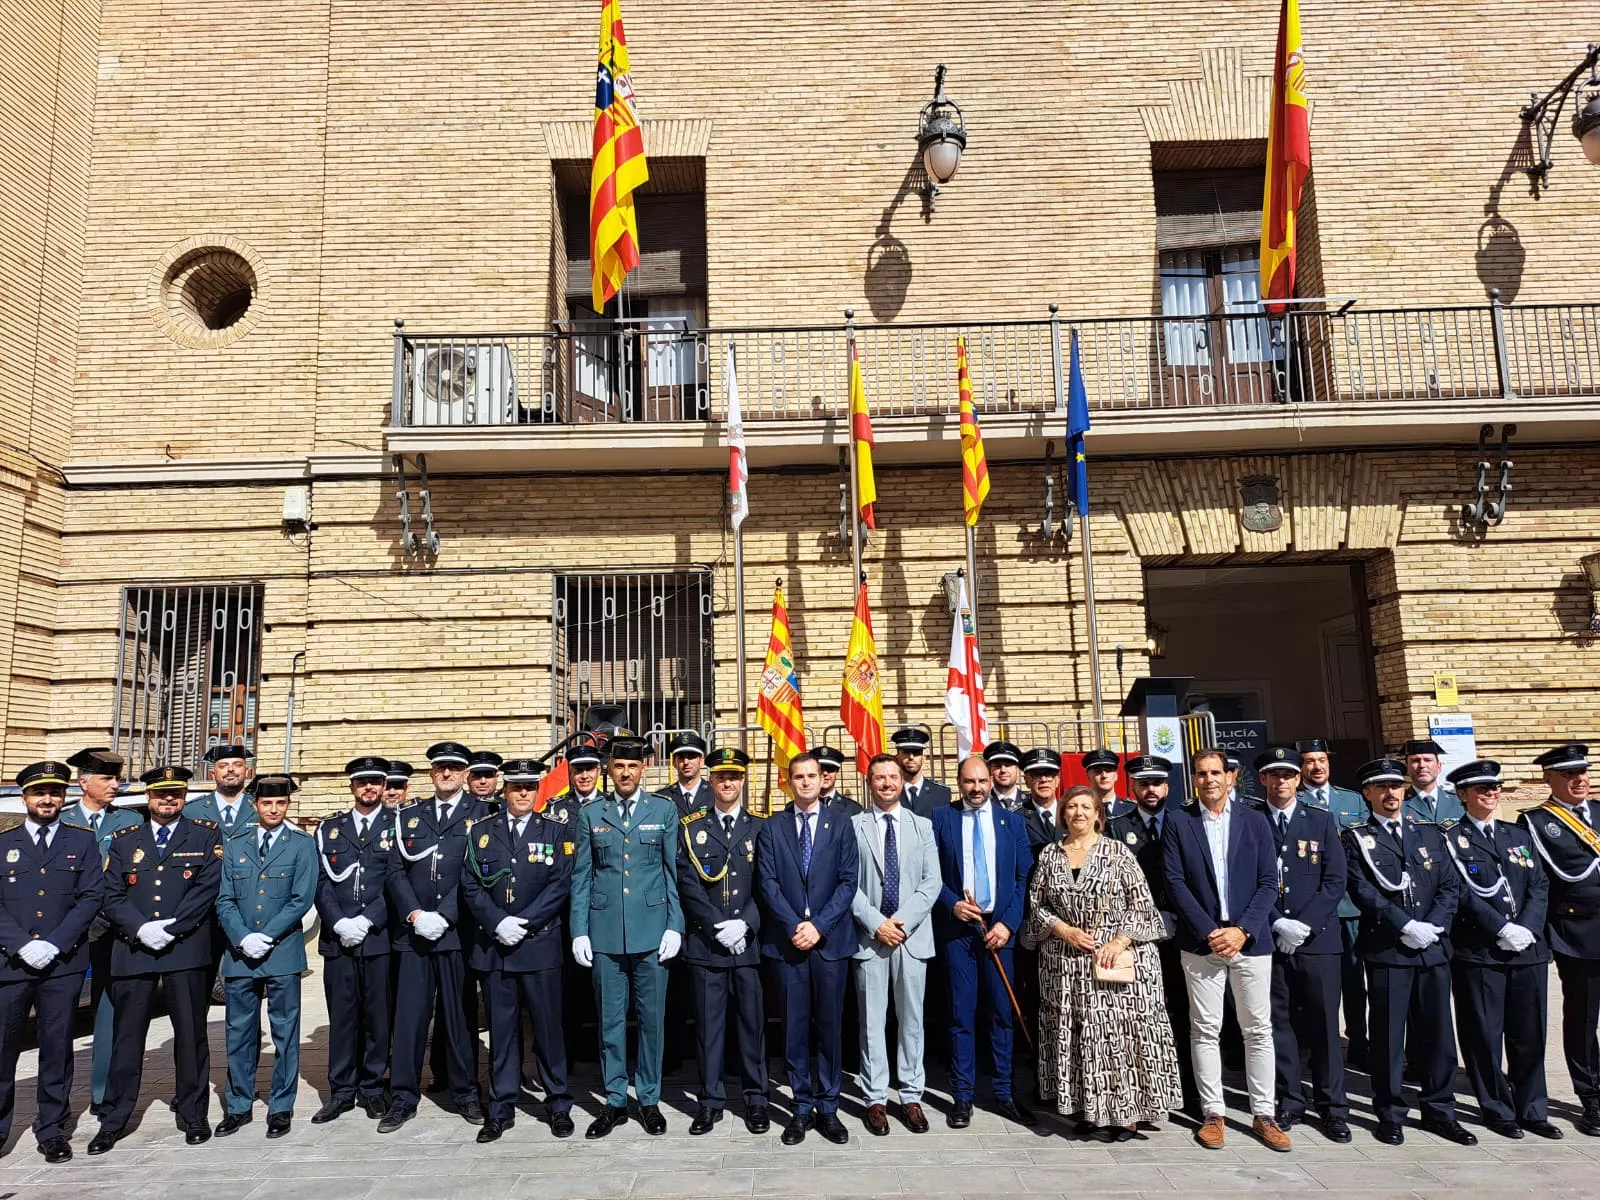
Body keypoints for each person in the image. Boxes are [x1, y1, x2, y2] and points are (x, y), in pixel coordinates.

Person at [1024, 784, 1181, 1139]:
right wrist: (1063, 929)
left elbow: (1143, 905)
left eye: (1085, 807)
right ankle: (1090, 1111)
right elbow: (1037, 905)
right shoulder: (1050, 855)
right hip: (1065, 965)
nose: (1078, 813)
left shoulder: (1117, 852)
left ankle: (1126, 1114)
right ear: (1063, 813)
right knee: (1078, 1036)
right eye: (1071, 807)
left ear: (1098, 814)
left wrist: (1120, 940)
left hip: (1113, 962)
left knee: (1117, 1038)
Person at [1162, 747, 1289, 1152]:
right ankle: (1213, 1113)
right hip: (1201, 943)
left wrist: (1242, 930)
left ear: (1231, 777)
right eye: (1201, 774)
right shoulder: (1179, 821)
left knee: (1258, 1029)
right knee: (1204, 1028)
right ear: (1194, 779)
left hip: (1250, 941)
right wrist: (1210, 931)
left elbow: (1268, 882)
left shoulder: (1255, 820)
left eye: (1216, 773)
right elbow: (1174, 881)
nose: (1209, 780)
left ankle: (1264, 1114)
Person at [91, 765, 222, 1155]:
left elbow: (207, 888)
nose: (168, 799)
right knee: (127, 1039)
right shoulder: (124, 840)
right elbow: (110, 893)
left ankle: (193, 1113)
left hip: (186, 948)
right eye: (161, 793)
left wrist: (173, 927)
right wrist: (141, 928)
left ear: (184, 798)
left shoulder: (205, 834)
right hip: (134, 949)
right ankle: (114, 1119)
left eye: (176, 794)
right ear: (148, 797)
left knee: (191, 1036)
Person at [1343, 756, 1472, 1146]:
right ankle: (1390, 1112)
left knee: (1438, 1035)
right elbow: (1362, 889)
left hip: (1432, 947)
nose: (1391, 793)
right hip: (1389, 949)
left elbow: (1450, 885)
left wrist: (1433, 926)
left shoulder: (1429, 833)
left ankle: (1440, 1110)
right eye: (1381, 787)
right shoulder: (1356, 837)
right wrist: (1404, 925)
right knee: (1388, 1037)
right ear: (1367, 793)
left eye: (1396, 786)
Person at [571, 735, 684, 1139]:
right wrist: (579, 931)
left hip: (652, 931)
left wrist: (675, 924)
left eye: (632, 766)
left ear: (643, 769)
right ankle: (615, 1100)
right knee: (610, 1022)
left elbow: (672, 872)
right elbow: (582, 876)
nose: (625, 773)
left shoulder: (663, 810)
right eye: (618, 766)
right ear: (609, 769)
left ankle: (649, 1099)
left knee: (652, 1021)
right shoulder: (591, 813)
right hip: (604, 933)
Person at [381, 740, 496, 1133]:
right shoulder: (409, 816)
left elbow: (479, 872)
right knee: (409, 1018)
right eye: (440, 768)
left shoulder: (483, 814)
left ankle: (465, 1093)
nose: (447, 774)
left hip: (457, 932)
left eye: (454, 768)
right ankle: (402, 1097)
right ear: (431, 773)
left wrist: (445, 914)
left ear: (465, 773)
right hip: (414, 935)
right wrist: (415, 914)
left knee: (460, 1017)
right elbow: (394, 870)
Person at [1444, 759, 1559, 1140]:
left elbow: (1539, 885)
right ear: (1463, 795)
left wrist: (1527, 927)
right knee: (1484, 1035)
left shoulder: (1517, 834)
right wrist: (1501, 927)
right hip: (1481, 951)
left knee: (1530, 1034)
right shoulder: (1451, 839)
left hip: (1527, 949)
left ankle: (1533, 1109)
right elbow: (1459, 892)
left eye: (1494, 787)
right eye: (1482, 789)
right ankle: (1496, 1107)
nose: (1491, 794)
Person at [463, 757, 576, 1142]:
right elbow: (470, 883)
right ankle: (501, 1108)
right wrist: (498, 922)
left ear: (537, 791)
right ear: (505, 790)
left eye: (530, 787)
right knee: (502, 1032)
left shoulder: (555, 831)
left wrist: (524, 922)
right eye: (516, 787)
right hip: (495, 948)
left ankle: (558, 1103)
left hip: (539, 945)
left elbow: (560, 885)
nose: (523, 793)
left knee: (548, 1030)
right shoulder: (481, 831)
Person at [0, 761, 105, 1163]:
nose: (47, 799)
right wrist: (20, 945)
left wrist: (56, 944)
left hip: (62, 965)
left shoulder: (82, 841)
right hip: (11, 965)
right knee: (3, 1048)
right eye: (39, 792)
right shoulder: (4, 843)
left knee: (57, 1049)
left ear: (65, 797)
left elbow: (91, 896)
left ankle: (52, 1129)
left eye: (55, 793)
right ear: (24, 797)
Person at [757, 751, 859, 1146]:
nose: (805, 782)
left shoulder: (842, 824)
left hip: (829, 942)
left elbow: (848, 882)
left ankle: (829, 1107)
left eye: (811, 776)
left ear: (822, 780)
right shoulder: (772, 827)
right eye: (798, 776)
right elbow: (767, 883)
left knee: (830, 1027)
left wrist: (818, 926)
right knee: (794, 1029)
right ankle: (801, 1107)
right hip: (788, 944)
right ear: (788, 782)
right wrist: (794, 926)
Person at [931, 755, 1035, 1128]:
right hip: (959, 931)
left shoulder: (1013, 822)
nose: (975, 788)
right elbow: (930, 873)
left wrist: (1008, 924)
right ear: (959, 782)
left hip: (998, 931)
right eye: (968, 782)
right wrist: (952, 903)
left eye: (981, 781)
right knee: (961, 1014)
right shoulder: (941, 818)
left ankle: (1005, 1093)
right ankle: (962, 1096)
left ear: (991, 782)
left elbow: (1024, 877)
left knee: (1001, 1014)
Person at [1255, 746, 1351, 1143]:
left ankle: (1333, 1106)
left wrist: (1304, 925)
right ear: (1262, 779)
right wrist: (1277, 922)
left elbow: (1335, 879)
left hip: (1318, 940)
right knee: (1279, 1024)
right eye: (1274, 775)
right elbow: (1245, 881)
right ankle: (1290, 1099)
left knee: (1325, 1025)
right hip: (1269, 938)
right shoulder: (1251, 820)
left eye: (1288, 775)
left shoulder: (1321, 820)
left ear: (1298, 779)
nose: (1282, 782)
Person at [215, 774, 317, 1140]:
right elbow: (224, 899)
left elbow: (301, 899)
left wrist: (267, 936)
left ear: (288, 805)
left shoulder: (302, 845)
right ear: (255, 805)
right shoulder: (236, 844)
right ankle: (238, 1105)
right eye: (267, 803)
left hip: (282, 952)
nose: (274, 809)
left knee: (285, 1032)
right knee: (238, 1032)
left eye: (281, 803)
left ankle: (281, 1106)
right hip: (241, 954)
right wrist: (243, 937)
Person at [676, 746, 769, 1135]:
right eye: (720, 776)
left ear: (743, 780)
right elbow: (688, 883)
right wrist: (718, 926)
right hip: (707, 945)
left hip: (748, 946)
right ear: (710, 780)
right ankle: (710, 1101)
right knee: (709, 1030)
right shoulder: (691, 827)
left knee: (752, 1027)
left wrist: (745, 925)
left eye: (734, 776)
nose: (727, 782)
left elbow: (767, 886)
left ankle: (756, 1099)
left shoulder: (761, 826)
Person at [1106, 754, 1200, 1119]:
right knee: (1140, 1017)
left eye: (1157, 783)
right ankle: (1143, 1092)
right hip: (1135, 937)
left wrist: (1178, 915)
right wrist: (1144, 922)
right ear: (1131, 786)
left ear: (1167, 786)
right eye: (1143, 783)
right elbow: (1112, 886)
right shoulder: (1116, 827)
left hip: (1182, 932)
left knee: (1185, 1013)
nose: (1150, 789)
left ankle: (1190, 1091)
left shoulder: (1185, 822)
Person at [850, 754, 941, 1135]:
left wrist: (900, 923)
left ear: (902, 782)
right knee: (872, 1022)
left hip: (911, 937)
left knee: (911, 1020)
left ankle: (910, 1095)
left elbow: (931, 882)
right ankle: (874, 1097)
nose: (887, 783)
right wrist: (877, 923)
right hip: (871, 937)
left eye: (892, 777)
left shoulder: (923, 827)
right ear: (869, 783)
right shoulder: (854, 826)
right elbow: (847, 884)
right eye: (879, 778)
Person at [1519, 742, 1600, 1135]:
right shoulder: (1535, 822)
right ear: (1548, 778)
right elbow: (1535, 881)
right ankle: (1592, 1097)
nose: (1579, 780)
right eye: (1568, 774)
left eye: (1582, 772)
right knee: (1583, 1020)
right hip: (1577, 932)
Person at [313, 756, 397, 1124]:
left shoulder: (399, 825)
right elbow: (320, 881)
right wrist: (339, 922)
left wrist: (366, 920)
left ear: (383, 786)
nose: (369, 788)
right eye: (362, 782)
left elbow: (397, 881)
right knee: (342, 1018)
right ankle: (342, 1091)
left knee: (378, 1018)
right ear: (352, 787)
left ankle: (373, 1087)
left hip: (378, 937)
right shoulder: (330, 828)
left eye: (375, 782)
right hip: (339, 940)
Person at [59, 746, 140, 1118]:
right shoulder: (63, 819)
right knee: (60, 1019)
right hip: (67, 933)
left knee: (107, 1012)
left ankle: (102, 1092)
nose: (115, 785)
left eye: (117, 778)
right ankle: (56, 1101)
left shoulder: (128, 821)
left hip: (110, 930)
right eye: (107, 778)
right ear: (83, 782)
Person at [1297, 737, 1371, 1071]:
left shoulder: (1351, 800)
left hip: (1350, 906)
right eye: (1310, 761)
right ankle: (1316, 1044)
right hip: (1313, 907)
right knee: (1315, 984)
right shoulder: (1294, 800)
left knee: (1354, 980)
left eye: (1322, 760)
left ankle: (1358, 1040)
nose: (1317, 767)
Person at [185, 743, 258, 833]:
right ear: (213, 774)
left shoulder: (261, 808)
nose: (230, 769)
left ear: (247, 771)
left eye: (237, 765)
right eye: (223, 766)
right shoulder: (191, 810)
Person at [1401, 738, 1464, 825]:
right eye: (1415, 760)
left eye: (1428, 760)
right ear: (1407, 768)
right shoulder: (1399, 804)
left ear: (1439, 767)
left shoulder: (1460, 802)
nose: (1422, 765)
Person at [892, 727, 950, 818]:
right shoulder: (890, 791)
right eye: (906, 752)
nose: (911, 757)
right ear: (897, 757)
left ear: (924, 758)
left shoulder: (941, 793)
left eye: (916, 753)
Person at [1021, 748, 1063, 854]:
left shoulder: (1071, 813)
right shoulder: (1017, 817)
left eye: (1049, 774)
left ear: (1057, 780)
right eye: (1036, 774)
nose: (1044, 780)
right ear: (1026, 781)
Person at [661, 731, 711, 816]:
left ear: (701, 761)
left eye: (691, 757)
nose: (686, 762)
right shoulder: (663, 797)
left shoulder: (715, 794)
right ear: (674, 762)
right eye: (681, 757)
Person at [1082, 749, 1132, 822]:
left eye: (1108, 770)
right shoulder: (1081, 810)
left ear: (1116, 776)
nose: (1104, 775)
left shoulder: (1131, 809)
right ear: (1088, 776)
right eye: (1098, 771)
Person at [816, 745, 862, 816]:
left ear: (837, 774)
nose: (825, 773)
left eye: (830, 769)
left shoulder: (853, 809)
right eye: (820, 769)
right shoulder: (802, 806)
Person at [984, 741, 1027, 813]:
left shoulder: (1030, 803)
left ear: (1017, 769)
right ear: (989, 770)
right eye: (997, 766)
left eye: (1008, 765)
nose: (1003, 770)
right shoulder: (983, 803)